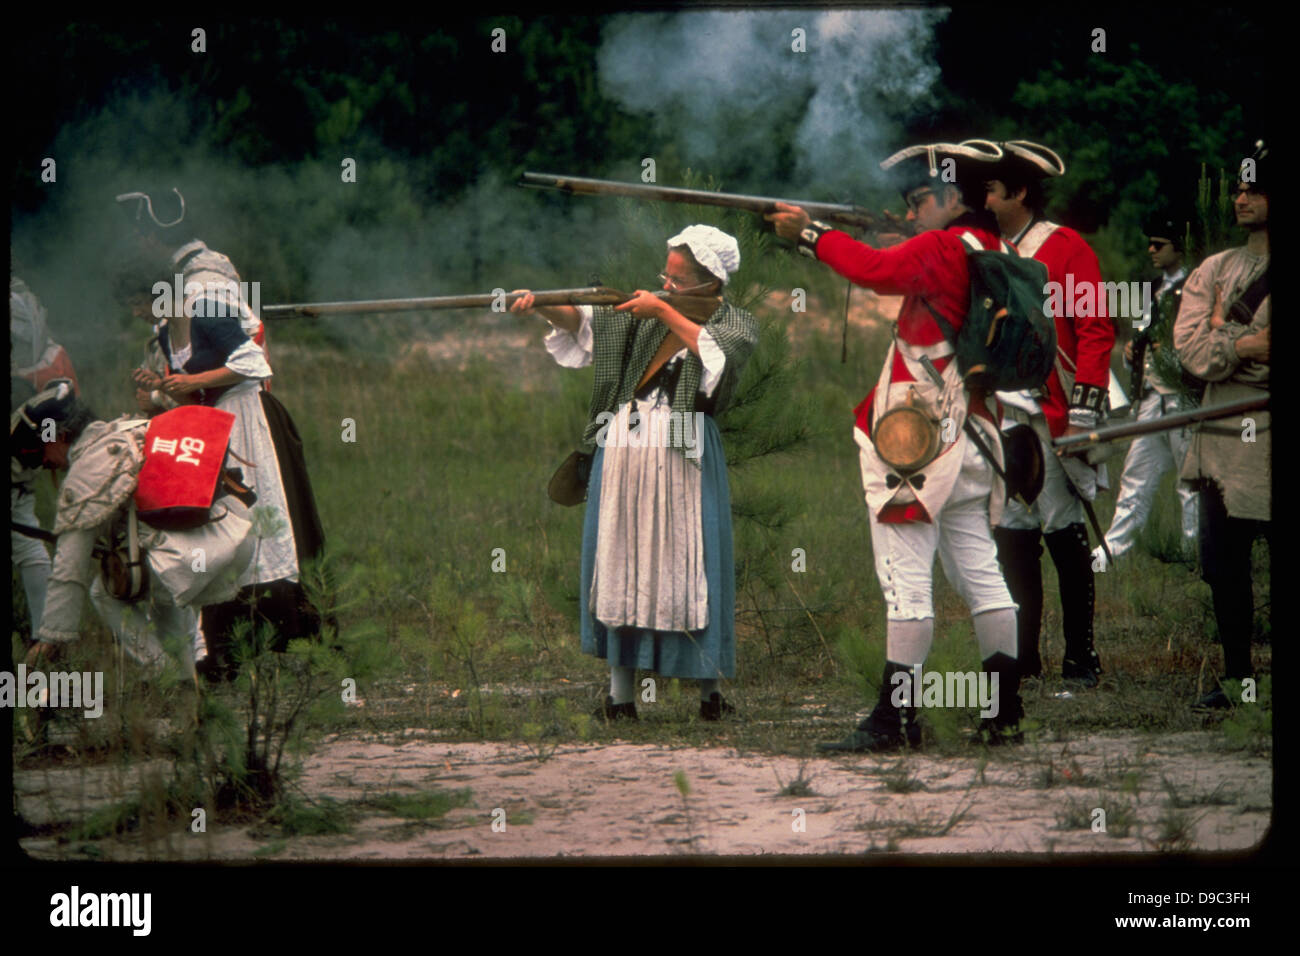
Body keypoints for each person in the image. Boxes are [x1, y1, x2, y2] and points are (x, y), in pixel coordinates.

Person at [767, 140, 1024, 750]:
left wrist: (810, 236)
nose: (911, 214)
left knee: (905, 579)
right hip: (973, 435)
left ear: (954, 199)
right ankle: (1004, 712)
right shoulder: (994, 247)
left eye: (920, 201)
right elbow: (898, 265)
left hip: (919, 442)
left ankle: (895, 720)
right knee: (984, 578)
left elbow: (875, 271)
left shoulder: (941, 246)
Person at [510, 225, 758, 721]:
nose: (665, 285)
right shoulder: (643, 315)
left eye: (677, 279)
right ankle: (620, 698)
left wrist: (664, 310)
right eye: (664, 276)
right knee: (621, 559)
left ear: (710, 282)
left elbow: (719, 356)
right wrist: (539, 303)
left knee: (694, 565)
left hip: (686, 442)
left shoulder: (736, 322)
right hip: (623, 442)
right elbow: (584, 323)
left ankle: (709, 695)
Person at [115, 188, 323, 678]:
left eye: (137, 306)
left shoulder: (206, 298)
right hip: (210, 426)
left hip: (245, 420)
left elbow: (250, 362)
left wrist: (190, 382)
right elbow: (189, 391)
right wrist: (163, 389)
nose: (138, 316)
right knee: (215, 531)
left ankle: (277, 635)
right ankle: (220, 643)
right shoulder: (169, 328)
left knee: (258, 522)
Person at [983, 140, 1114, 686]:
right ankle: (1024, 657)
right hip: (1000, 413)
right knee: (1013, 534)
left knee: (1062, 529)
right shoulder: (982, 246)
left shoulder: (1066, 248)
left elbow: (1095, 330)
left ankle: (1081, 657)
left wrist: (1083, 414)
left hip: (1051, 411)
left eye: (991, 189)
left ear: (1017, 192)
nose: (983, 200)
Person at [14, 382, 255, 677]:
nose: (44, 463)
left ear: (61, 436)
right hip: (231, 539)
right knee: (160, 582)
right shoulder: (129, 428)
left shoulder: (86, 473)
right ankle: (187, 688)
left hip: (190, 558)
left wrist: (50, 638)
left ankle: (165, 677)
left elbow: (69, 570)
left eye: (42, 450)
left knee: (104, 593)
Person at [1174, 142, 1270, 711]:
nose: (1241, 196)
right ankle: (1239, 679)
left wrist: (1223, 339)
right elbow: (1190, 349)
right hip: (1222, 431)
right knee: (1224, 566)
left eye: (1255, 188)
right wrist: (1248, 345)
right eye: (1238, 187)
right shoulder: (1216, 269)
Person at [1099, 211, 1197, 563]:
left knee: (1189, 482)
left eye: (1159, 244)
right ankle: (1111, 552)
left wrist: (1167, 356)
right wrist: (1130, 353)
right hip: (1151, 398)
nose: (1151, 249)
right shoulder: (1151, 289)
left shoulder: (1196, 288)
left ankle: (1193, 553)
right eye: (1150, 243)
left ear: (1179, 248)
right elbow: (1140, 341)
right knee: (1134, 476)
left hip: (1184, 398)